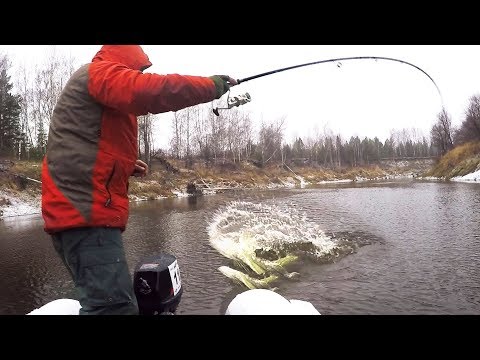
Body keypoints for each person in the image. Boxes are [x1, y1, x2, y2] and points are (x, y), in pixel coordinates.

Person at [41, 45, 237, 315]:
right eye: (139, 69)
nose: (140, 73)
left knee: (113, 304)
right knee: (113, 309)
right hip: (85, 215)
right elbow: (152, 91)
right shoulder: (100, 73)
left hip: (80, 214)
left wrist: (124, 165)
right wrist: (210, 86)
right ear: (126, 57)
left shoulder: (95, 82)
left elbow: (78, 147)